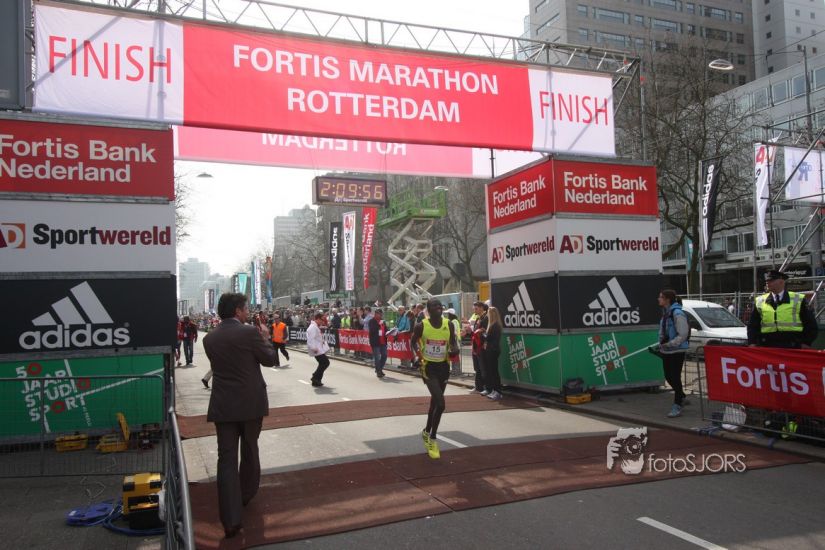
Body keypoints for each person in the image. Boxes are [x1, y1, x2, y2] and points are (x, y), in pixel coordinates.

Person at [202, 292, 277, 539]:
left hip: (223, 405)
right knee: (250, 448)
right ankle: (246, 493)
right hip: (250, 403)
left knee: (226, 459)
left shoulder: (210, 339)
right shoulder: (250, 333)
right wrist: (266, 338)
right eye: (245, 309)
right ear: (237, 311)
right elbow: (269, 360)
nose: (247, 313)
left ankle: (230, 519)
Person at [411, 298, 458, 460]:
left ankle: (426, 431)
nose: (438, 307)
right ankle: (432, 438)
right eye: (434, 306)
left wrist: (454, 349)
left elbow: (453, 342)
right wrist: (417, 356)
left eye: (440, 306)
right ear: (429, 310)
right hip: (428, 367)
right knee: (441, 403)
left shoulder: (449, 324)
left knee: (435, 404)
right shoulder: (421, 325)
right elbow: (413, 343)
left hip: (443, 367)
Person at [747, 269, 818, 349]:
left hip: (792, 346)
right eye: (767, 281)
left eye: (771, 280)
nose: (767, 282)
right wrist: (752, 343)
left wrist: (806, 342)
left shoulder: (798, 299)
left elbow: (811, 324)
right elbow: (752, 325)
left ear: (781, 282)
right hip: (767, 346)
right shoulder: (760, 300)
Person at [656, 289, 690, 418]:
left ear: (667, 299)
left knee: (675, 377)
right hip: (666, 350)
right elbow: (663, 331)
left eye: (661, 297)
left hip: (677, 350)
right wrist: (661, 343)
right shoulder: (666, 313)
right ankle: (681, 395)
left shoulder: (677, 313)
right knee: (668, 376)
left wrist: (670, 344)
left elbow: (683, 334)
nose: (658, 299)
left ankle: (677, 404)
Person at [482, 306, 503, 400]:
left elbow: (488, 338)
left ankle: (497, 391)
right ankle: (494, 390)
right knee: (492, 371)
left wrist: (483, 333)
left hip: (492, 350)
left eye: (488, 313)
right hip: (492, 349)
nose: (487, 315)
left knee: (494, 371)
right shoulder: (495, 325)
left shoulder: (494, 326)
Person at [307, 311, 331, 386]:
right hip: (316, 349)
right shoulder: (313, 327)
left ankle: (316, 380)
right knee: (325, 362)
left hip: (318, 348)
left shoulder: (315, 326)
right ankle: (315, 377)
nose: (322, 321)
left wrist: (322, 341)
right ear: (317, 319)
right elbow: (310, 339)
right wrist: (313, 348)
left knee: (323, 363)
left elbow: (316, 337)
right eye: (321, 319)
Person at [470, 301, 489, 394]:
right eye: (474, 308)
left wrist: (479, 333)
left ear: (482, 308)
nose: (474, 310)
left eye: (476, 308)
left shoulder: (486, 318)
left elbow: (485, 333)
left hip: (481, 347)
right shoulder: (478, 318)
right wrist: (469, 331)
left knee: (483, 368)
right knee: (477, 368)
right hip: (475, 347)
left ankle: (485, 387)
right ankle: (478, 387)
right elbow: (475, 332)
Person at [368, 308, 388, 378]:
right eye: (379, 314)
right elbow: (372, 330)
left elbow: (386, 329)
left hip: (383, 341)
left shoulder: (383, 321)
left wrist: (389, 332)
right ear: (376, 314)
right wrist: (379, 325)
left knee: (385, 355)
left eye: (381, 314)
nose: (381, 315)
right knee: (377, 357)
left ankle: (379, 369)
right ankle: (379, 371)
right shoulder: (371, 321)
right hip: (375, 342)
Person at [445, 308, 462, 376]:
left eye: (448, 314)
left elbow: (453, 332)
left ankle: (456, 371)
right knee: (453, 356)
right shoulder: (454, 321)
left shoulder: (454, 321)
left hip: (454, 341)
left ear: (450, 314)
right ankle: (454, 371)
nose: (447, 315)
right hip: (454, 341)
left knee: (455, 356)